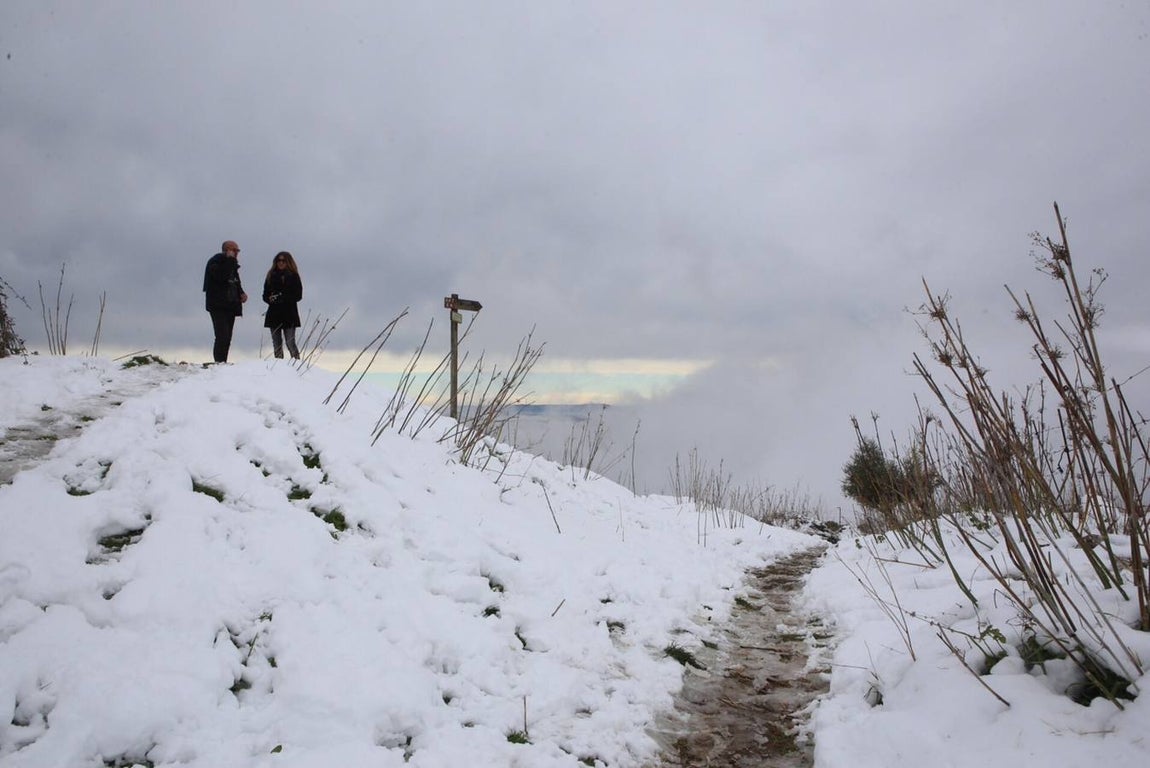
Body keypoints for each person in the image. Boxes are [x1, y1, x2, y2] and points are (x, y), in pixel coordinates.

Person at [203, 240, 248, 363]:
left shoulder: (232, 265)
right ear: (226, 250)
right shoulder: (215, 262)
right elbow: (221, 277)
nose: (236, 253)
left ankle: (223, 361)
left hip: (231, 305)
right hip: (218, 306)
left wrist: (241, 293)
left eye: (237, 251)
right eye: (234, 250)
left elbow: (235, 281)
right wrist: (230, 260)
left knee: (227, 337)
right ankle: (219, 362)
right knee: (221, 336)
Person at [262, 251, 303, 360]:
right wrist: (271, 299)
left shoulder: (294, 276)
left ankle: (296, 365)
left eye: (283, 261)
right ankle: (278, 367)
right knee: (277, 344)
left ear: (288, 262)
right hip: (274, 313)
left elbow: (298, 295)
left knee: (290, 342)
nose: (280, 263)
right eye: (278, 261)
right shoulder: (271, 275)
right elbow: (265, 295)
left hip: (289, 314)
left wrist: (283, 297)